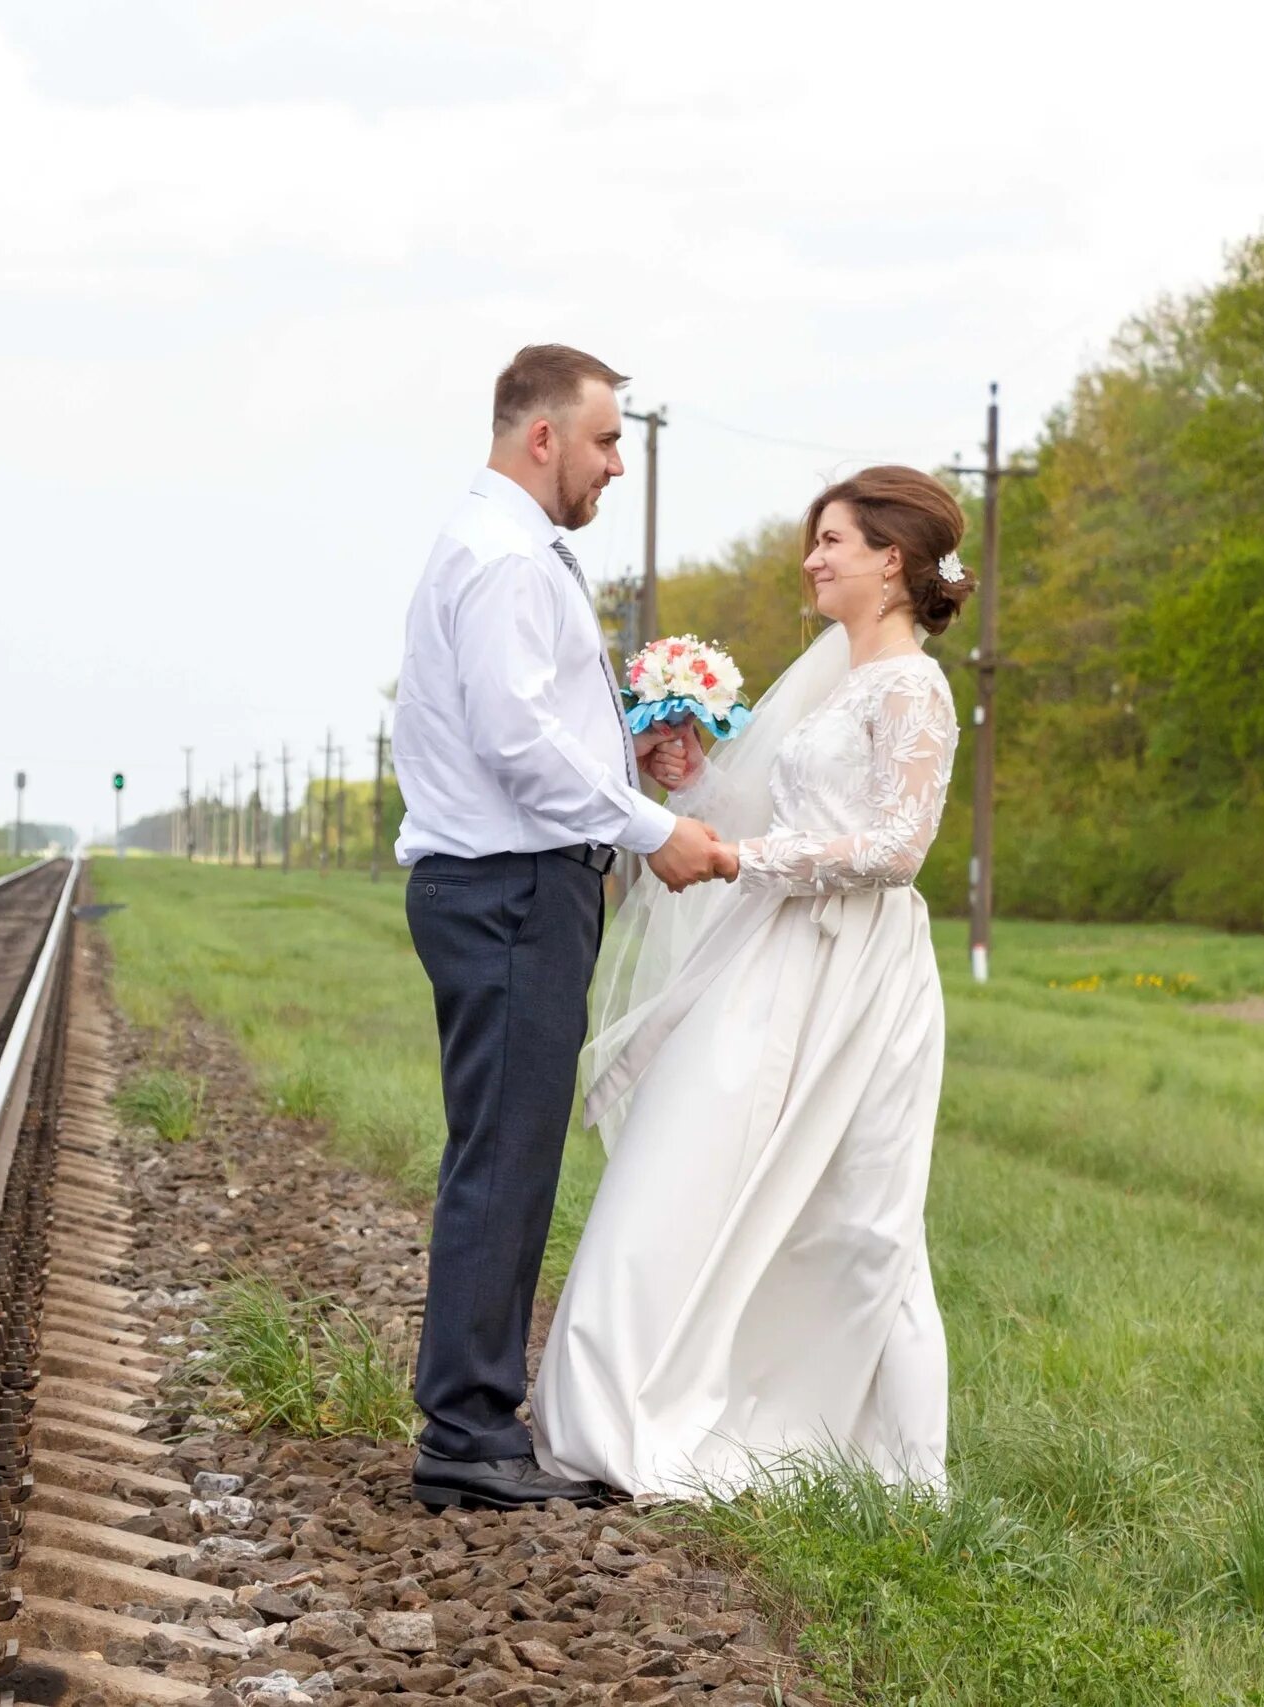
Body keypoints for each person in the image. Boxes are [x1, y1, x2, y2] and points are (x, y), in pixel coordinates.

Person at [532, 464, 970, 1501]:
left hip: (856, 969)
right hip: (773, 955)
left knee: (859, 1211)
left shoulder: (912, 686)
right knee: (696, 1161)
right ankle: (633, 1398)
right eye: (813, 540)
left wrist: (741, 863)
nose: (812, 559)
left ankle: (888, 1467)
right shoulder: (837, 676)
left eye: (832, 541)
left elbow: (897, 850)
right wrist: (687, 795)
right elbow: (777, 809)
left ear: (891, 560)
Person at [391, 343, 728, 1512]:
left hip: (511, 884)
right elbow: (513, 744)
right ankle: (467, 1434)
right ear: (542, 437)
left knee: (507, 1152)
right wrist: (648, 828)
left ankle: (474, 1416)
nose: (616, 465)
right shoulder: (500, 559)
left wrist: (619, 762)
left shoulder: (509, 550)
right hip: (510, 891)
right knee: (504, 1157)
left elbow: (534, 733)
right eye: (604, 440)